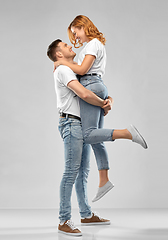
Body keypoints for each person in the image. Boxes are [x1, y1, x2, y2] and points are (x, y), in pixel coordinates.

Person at [54, 15, 148, 202]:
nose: (76, 38)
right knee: (96, 137)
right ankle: (104, 180)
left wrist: (61, 62)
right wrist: (107, 98)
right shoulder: (92, 46)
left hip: (91, 84)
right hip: (96, 84)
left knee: (88, 134)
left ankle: (127, 133)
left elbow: (82, 71)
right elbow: (83, 73)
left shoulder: (93, 44)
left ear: (84, 27)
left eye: (76, 32)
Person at [47, 39, 113, 236]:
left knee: (82, 172)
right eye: (66, 46)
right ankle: (64, 220)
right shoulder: (63, 71)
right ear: (59, 54)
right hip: (71, 124)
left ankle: (85, 214)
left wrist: (106, 99)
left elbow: (89, 88)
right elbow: (84, 94)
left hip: (80, 124)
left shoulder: (70, 69)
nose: (71, 46)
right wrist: (103, 104)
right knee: (71, 172)